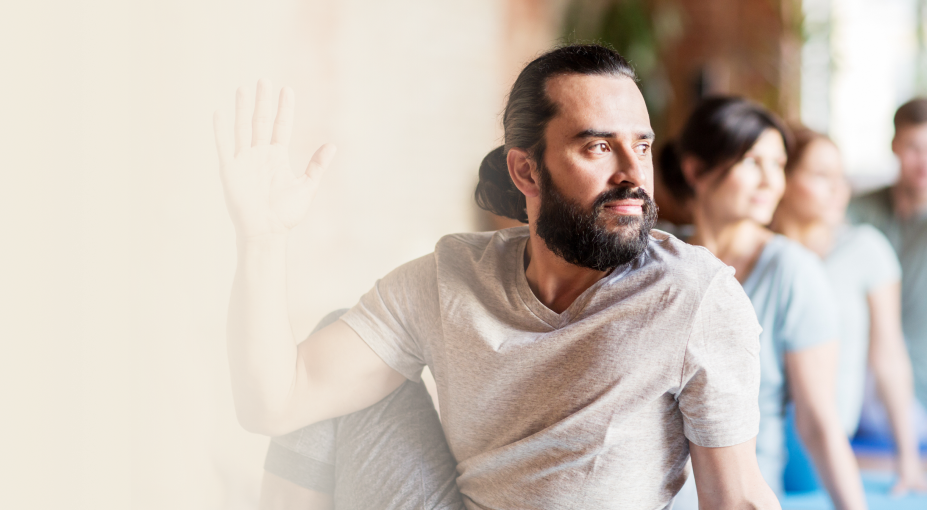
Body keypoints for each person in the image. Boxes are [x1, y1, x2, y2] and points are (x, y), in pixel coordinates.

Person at [216, 44, 778, 509]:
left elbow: (737, 500)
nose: (633, 174)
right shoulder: (451, 278)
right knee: (336, 353)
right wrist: (262, 241)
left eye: (643, 146)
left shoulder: (696, 297)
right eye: (599, 147)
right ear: (526, 169)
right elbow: (275, 400)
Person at [658, 97, 865, 509]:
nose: (772, 182)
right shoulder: (659, 256)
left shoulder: (793, 272)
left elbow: (819, 421)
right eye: (754, 162)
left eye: (779, 165)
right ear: (695, 169)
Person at [771, 127, 927, 496]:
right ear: (782, 176)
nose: (839, 189)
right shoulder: (760, 250)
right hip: (750, 422)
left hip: (817, 433)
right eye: (821, 176)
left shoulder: (865, 248)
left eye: (842, 177)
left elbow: (889, 356)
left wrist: (907, 459)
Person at [846, 98, 927, 415]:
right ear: (894, 145)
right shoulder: (860, 208)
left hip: (914, 393)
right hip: (853, 373)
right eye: (915, 148)